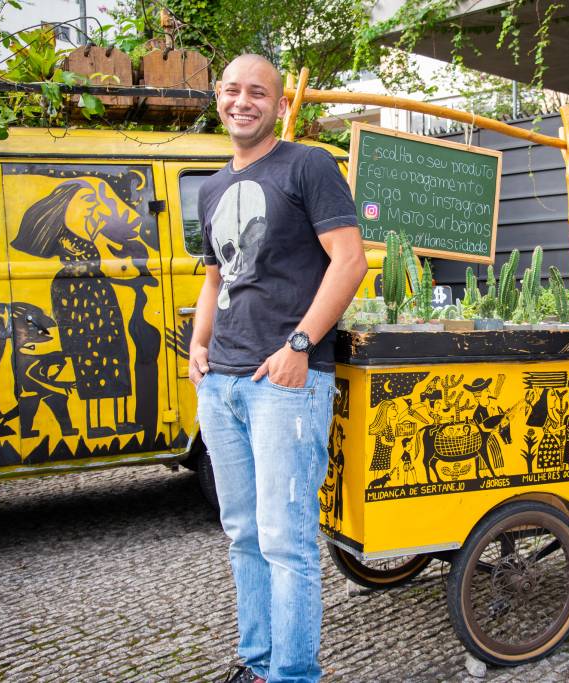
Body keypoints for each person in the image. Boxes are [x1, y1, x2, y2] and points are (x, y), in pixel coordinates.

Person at [189, 54, 367, 683]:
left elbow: (349, 261)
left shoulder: (308, 164)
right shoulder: (210, 188)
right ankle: (259, 664)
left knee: (285, 540)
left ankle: (293, 675)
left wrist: (299, 345)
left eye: (258, 92)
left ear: (277, 100)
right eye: (233, 90)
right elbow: (215, 279)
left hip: (285, 383)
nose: (244, 101)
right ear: (218, 97)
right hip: (223, 385)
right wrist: (197, 347)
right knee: (242, 535)